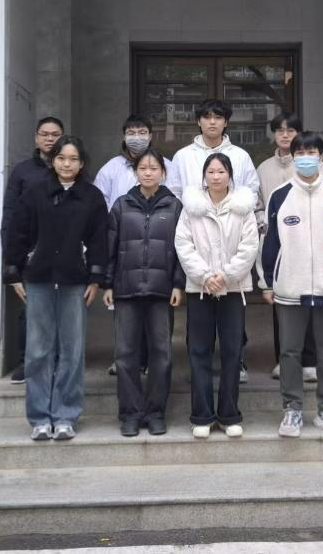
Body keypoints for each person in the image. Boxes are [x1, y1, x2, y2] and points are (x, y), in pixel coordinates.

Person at [4, 135, 107, 441]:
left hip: (75, 282)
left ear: (82, 163)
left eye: (73, 159)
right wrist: (14, 274)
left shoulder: (91, 197)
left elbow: (100, 240)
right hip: (39, 280)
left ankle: (65, 415)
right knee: (38, 351)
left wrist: (96, 278)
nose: (67, 164)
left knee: (72, 352)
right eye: (62, 158)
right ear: (53, 160)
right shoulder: (35, 194)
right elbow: (17, 234)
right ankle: (39, 418)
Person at [260, 131, 323, 438]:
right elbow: (270, 242)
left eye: (311, 152)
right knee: (290, 352)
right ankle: (292, 409)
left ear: (320, 156)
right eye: (300, 153)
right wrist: (267, 281)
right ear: (293, 158)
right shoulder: (280, 195)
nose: (306, 158)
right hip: (290, 287)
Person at [170, 98, 259, 383]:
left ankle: (237, 362)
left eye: (218, 117)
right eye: (206, 117)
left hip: (233, 234)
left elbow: (251, 190)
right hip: (196, 234)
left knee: (233, 317)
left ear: (226, 122)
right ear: (198, 121)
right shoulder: (183, 156)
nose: (212, 122)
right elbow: (174, 192)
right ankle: (199, 368)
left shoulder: (240, 156)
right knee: (198, 318)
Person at [175, 152, 259, 439]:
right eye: (210, 171)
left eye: (221, 171)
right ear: (204, 175)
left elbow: (250, 246)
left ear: (230, 175)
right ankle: (202, 415)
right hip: (200, 290)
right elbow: (183, 244)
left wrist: (226, 275)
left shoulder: (242, 208)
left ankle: (229, 414)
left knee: (232, 352)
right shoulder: (191, 208)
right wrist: (205, 276)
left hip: (233, 290)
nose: (216, 176)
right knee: (199, 351)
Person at [102, 148, 185, 437]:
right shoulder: (121, 205)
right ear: (135, 172)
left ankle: (156, 412)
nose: (148, 172)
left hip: (162, 292)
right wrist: (108, 284)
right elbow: (110, 248)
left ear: (163, 172)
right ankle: (130, 413)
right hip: (126, 290)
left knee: (162, 354)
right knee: (126, 354)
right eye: (143, 168)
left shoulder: (174, 206)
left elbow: (182, 250)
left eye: (154, 168)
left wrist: (178, 284)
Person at [94, 114, 175, 377]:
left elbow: (177, 204)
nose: (136, 137)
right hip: (125, 247)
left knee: (158, 319)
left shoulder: (168, 166)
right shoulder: (110, 169)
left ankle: (154, 363)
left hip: (159, 250)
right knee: (126, 315)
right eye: (131, 132)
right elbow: (100, 205)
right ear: (123, 135)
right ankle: (126, 361)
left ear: (151, 135)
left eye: (142, 132)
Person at [254, 111, 323, 383]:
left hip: (310, 245)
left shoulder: (318, 167)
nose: (285, 135)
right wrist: (264, 224)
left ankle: (310, 361)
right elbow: (257, 205)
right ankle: (283, 360)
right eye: (280, 130)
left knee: (310, 302)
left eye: (290, 130)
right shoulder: (264, 168)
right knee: (281, 304)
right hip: (279, 247)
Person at [1, 116, 65, 384]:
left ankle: (59, 362)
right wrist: (11, 266)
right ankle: (29, 362)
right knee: (31, 312)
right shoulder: (23, 172)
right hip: (31, 254)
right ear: (36, 138)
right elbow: (10, 216)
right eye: (45, 134)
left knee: (62, 312)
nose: (50, 139)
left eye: (55, 134)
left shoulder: (70, 169)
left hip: (65, 253)